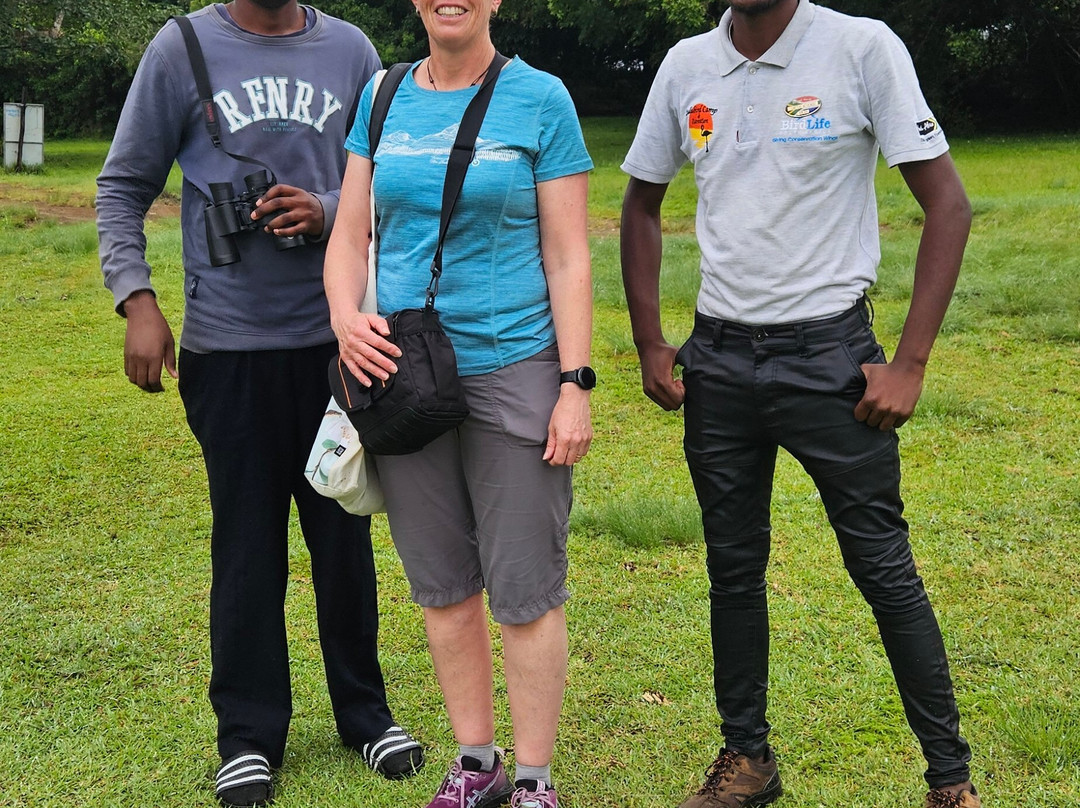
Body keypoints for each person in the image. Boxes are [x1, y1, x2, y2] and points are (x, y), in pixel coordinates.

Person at [620, 1, 979, 807]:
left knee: (883, 569)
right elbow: (641, 205)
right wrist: (651, 340)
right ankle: (747, 760)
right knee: (734, 571)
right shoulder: (687, 66)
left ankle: (950, 783)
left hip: (829, 360)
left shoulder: (859, 48)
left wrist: (911, 363)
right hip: (718, 361)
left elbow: (947, 205)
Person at [95, 2, 425, 805]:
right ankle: (247, 735)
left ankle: (365, 715)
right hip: (228, 349)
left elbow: (386, 180)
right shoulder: (180, 49)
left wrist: (322, 207)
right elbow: (122, 185)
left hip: (336, 344)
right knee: (246, 547)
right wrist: (136, 299)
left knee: (343, 538)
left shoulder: (350, 50)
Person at [323, 2, 594, 806]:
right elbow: (349, 236)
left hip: (515, 366)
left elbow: (568, 253)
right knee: (441, 586)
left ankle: (537, 781)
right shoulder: (382, 96)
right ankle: (477, 764)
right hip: (403, 377)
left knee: (524, 589)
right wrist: (344, 317)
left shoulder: (540, 99)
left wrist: (574, 386)